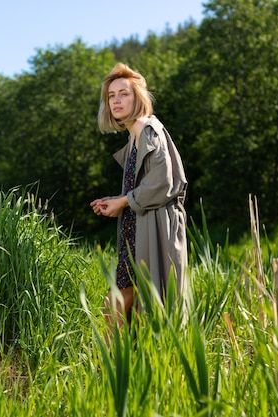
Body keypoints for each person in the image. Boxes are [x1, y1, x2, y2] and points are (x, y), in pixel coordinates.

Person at [90, 62, 189, 332]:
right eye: (111, 96)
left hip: (154, 229)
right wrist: (117, 200)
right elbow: (144, 187)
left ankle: (111, 368)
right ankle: (124, 366)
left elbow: (162, 183)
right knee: (124, 302)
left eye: (124, 93)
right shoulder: (134, 137)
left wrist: (123, 201)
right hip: (137, 228)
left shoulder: (147, 130)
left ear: (138, 98)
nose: (116, 100)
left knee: (120, 302)